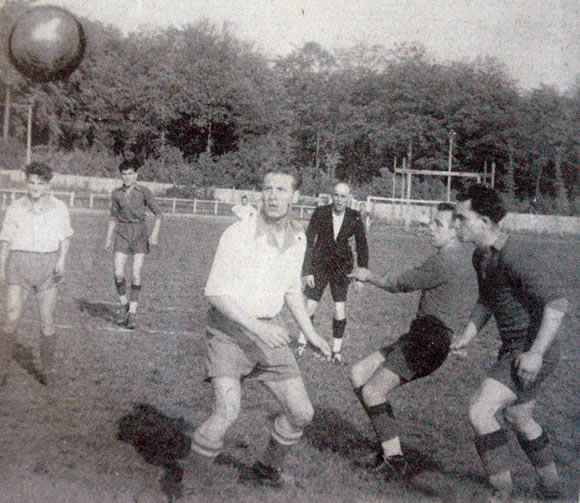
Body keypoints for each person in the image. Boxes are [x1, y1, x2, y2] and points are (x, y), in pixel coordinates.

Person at [189, 168, 331, 488]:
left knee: (301, 413)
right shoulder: (238, 233)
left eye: (281, 190)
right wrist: (256, 327)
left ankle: (266, 470)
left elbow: (292, 290)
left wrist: (311, 333)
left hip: (269, 332)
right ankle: (189, 491)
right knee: (227, 411)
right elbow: (214, 292)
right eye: (267, 189)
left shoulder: (297, 238)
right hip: (229, 332)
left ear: (296, 197)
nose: (273, 196)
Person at [451, 184, 568, 502]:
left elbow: (558, 303)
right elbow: (487, 301)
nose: (455, 225)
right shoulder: (481, 256)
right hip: (517, 349)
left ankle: (500, 492)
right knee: (519, 417)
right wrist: (467, 335)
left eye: (462, 218)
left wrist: (535, 354)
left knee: (480, 410)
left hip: (531, 350)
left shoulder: (516, 255)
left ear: (486, 221)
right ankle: (552, 488)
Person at [347, 203, 473, 476]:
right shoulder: (463, 257)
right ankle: (387, 446)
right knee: (358, 374)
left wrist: (367, 276)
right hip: (423, 336)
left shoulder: (445, 260)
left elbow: (399, 284)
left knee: (372, 391)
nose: (430, 228)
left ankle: (394, 461)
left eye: (438, 224)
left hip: (428, 341)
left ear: (455, 230)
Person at [0, 162, 73, 385]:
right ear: (26, 183)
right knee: (11, 318)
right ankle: (1, 369)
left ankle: (47, 371)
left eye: (40, 184)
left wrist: (61, 260)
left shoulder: (59, 207)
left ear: (48, 185)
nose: (35, 188)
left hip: (47, 265)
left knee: (47, 320)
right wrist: (2, 264)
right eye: (31, 183)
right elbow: (6, 238)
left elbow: (65, 236)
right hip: (19, 263)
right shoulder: (16, 207)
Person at [297, 182, 369, 364]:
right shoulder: (320, 213)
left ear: (349, 198)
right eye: (336, 195)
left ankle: (336, 351)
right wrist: (307, 271)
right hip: (319, 267)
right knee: (310, 306)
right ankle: (301, 343)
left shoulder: (355, 217)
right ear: (332, 196)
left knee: (339, 309)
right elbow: (308, 242)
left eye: (343, 196)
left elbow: (362, 245)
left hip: (340, 269)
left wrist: (361, 273)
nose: (339, 199)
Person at [104, 159, 162, 330]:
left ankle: (132, 314)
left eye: (130, 173)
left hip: (139, 234)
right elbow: (113, 217)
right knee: (118, 273)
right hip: (122, 233)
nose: (127, 177)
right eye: (124, 174)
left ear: (136, 174)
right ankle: (124, 305)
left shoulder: (144, 192)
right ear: (121, 175)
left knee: (136, 274)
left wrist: (155, 233)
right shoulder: (116, 193)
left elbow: (158, 214)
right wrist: (108, 238)